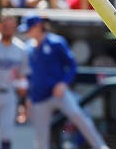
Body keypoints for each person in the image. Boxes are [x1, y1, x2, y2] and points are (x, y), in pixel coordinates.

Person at [18, 12, 110, 149]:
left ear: (38, 26)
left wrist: (63, 83)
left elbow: (72, 66)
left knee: (79, 116)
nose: (27, 31)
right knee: (40, 135)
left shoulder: (56, 42)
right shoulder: (28, 49)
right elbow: (29, 76)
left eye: (29, 28)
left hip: (58, 93)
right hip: (39, 97)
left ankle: (101, 146)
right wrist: (27, 100)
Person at [0, 14, 29, 149]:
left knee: (7, 132)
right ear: (0, 26)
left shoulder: (21, 49)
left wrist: (23, 103)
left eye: (11, 26)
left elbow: (22, 77)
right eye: (5, 26)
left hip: (9, 93)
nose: (8, 29)